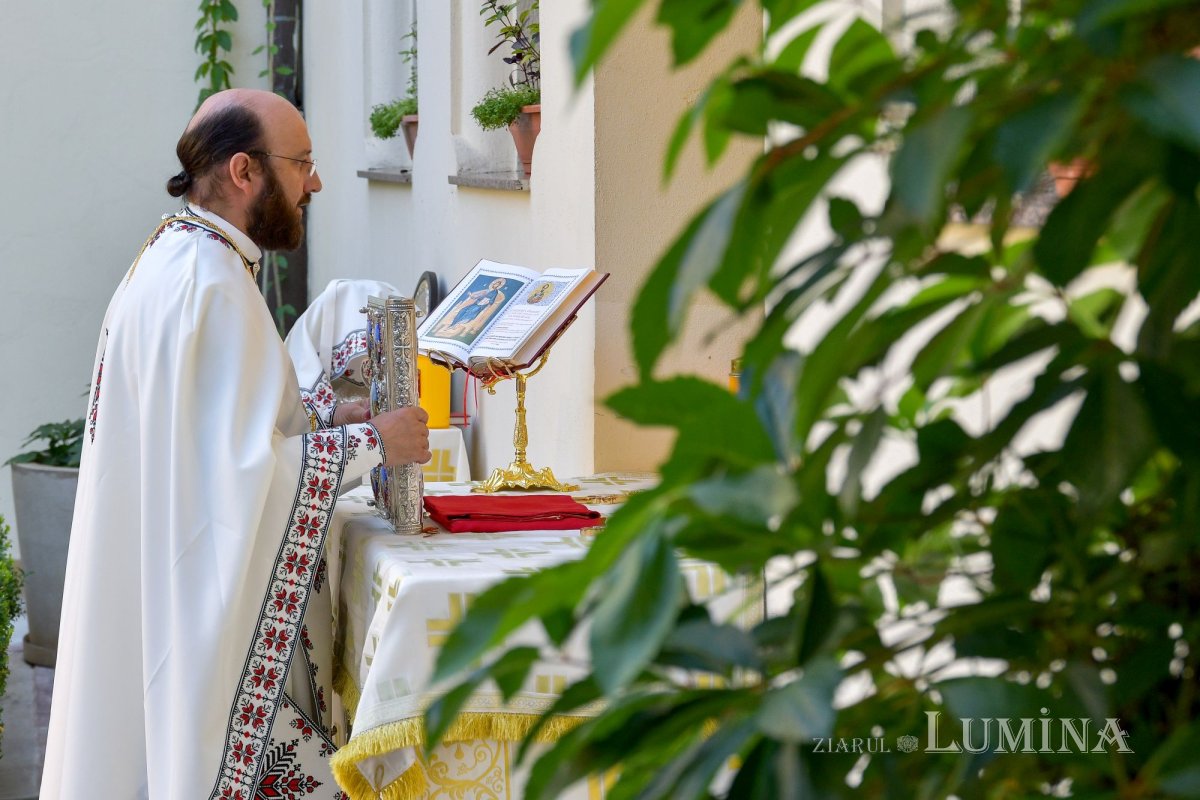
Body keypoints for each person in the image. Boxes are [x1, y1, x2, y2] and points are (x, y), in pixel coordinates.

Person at [40, 88, 430, 799]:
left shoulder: (175, 258)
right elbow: (238, 480)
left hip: (160, 589)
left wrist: (327, 416)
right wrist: (376, 442)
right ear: (246, 171)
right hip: (201, 629)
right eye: (303, 162)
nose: (315, 182)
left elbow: (219, 440)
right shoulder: (211, 283)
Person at [432, 277, 507, 339]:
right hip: (476, 303)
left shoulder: (495, 292)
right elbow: (478, 296)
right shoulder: (486, 290)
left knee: (471, 311)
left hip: (480, 306)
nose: (495, 285)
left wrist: (488, 303)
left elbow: (492, 300)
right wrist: (472, 296)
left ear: (498, 286)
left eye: (497, 285)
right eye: (495, 284)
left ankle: (456, 324)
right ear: (493, 284)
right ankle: (453, 324)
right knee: (462, 310)